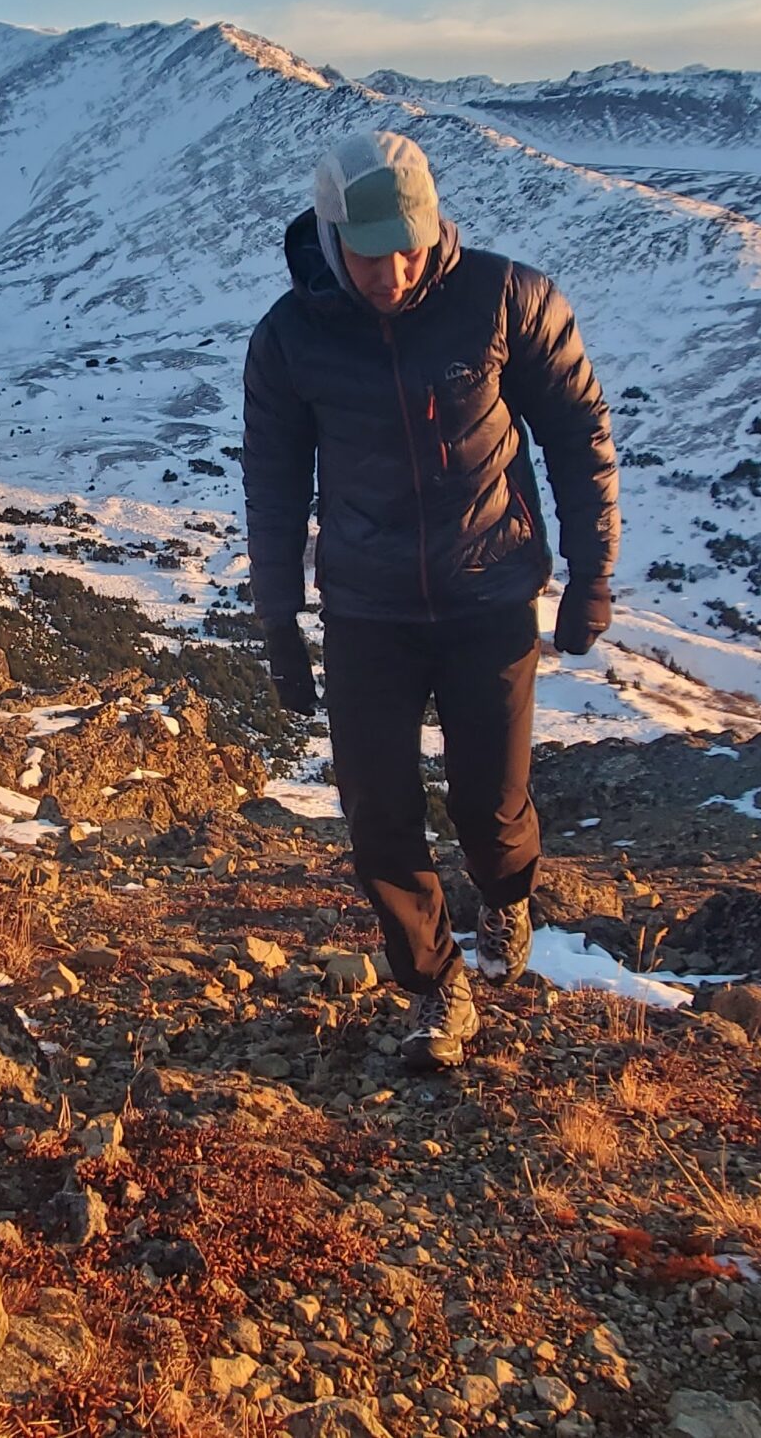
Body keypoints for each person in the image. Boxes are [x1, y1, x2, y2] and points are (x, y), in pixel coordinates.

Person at [241, 129, 620, 1068]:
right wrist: (279, 620)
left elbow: (579, 431)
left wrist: (592, 572)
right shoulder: (291, 338)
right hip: (367, 608)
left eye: (409, 245)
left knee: (491, 812)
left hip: (489, 592)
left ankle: (507, 894)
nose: (394, 271)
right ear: (332, 235)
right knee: (377, 813)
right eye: (371, 253)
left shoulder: (504, 298)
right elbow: (276, 485)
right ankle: (436, 986)